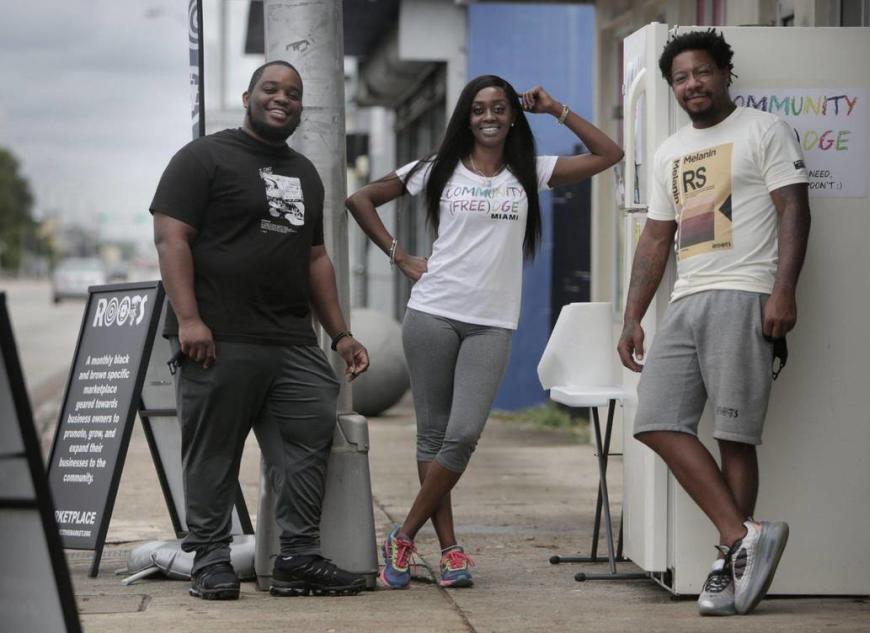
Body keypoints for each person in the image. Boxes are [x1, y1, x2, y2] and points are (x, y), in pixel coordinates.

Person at [346, 75, 622, 589]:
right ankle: (451, 551)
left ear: (512, 115)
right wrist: (398, 256)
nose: (489, 116)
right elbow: (360, 199)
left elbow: (610, 153)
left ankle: (403, 536)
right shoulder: (436, 169)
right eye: (478, 109)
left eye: (499, 107)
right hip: (432, 313)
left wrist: (556, 107)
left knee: (464, 433)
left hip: (491, 323)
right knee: (432, 434)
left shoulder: (530, 172)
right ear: (466, 118)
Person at [151, 60, 370, 600]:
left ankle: (297, 557)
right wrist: (189, 319)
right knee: (212, 454)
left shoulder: (304, 172)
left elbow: (316, 258)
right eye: (271, 89)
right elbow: (170, 239)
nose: (282, 99)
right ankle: (209, 560)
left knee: (305, 449)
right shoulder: (202, 158)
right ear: (248, 96)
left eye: (293, 93)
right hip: (218, 339)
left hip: (291, 341)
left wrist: (340, 334)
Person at [617, 29, 811, 616]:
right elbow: (656, 238)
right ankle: (740, 537)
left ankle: (729, 566)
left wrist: (783, 290)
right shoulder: (672, 149)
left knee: (734, 435)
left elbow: (795, 207)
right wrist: (632, 316)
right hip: (686, 300)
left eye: (701, 72)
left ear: (725, 73)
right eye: (680, 78)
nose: (691, 85)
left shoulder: (764, 129)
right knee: (655, 420)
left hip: (746, 293)